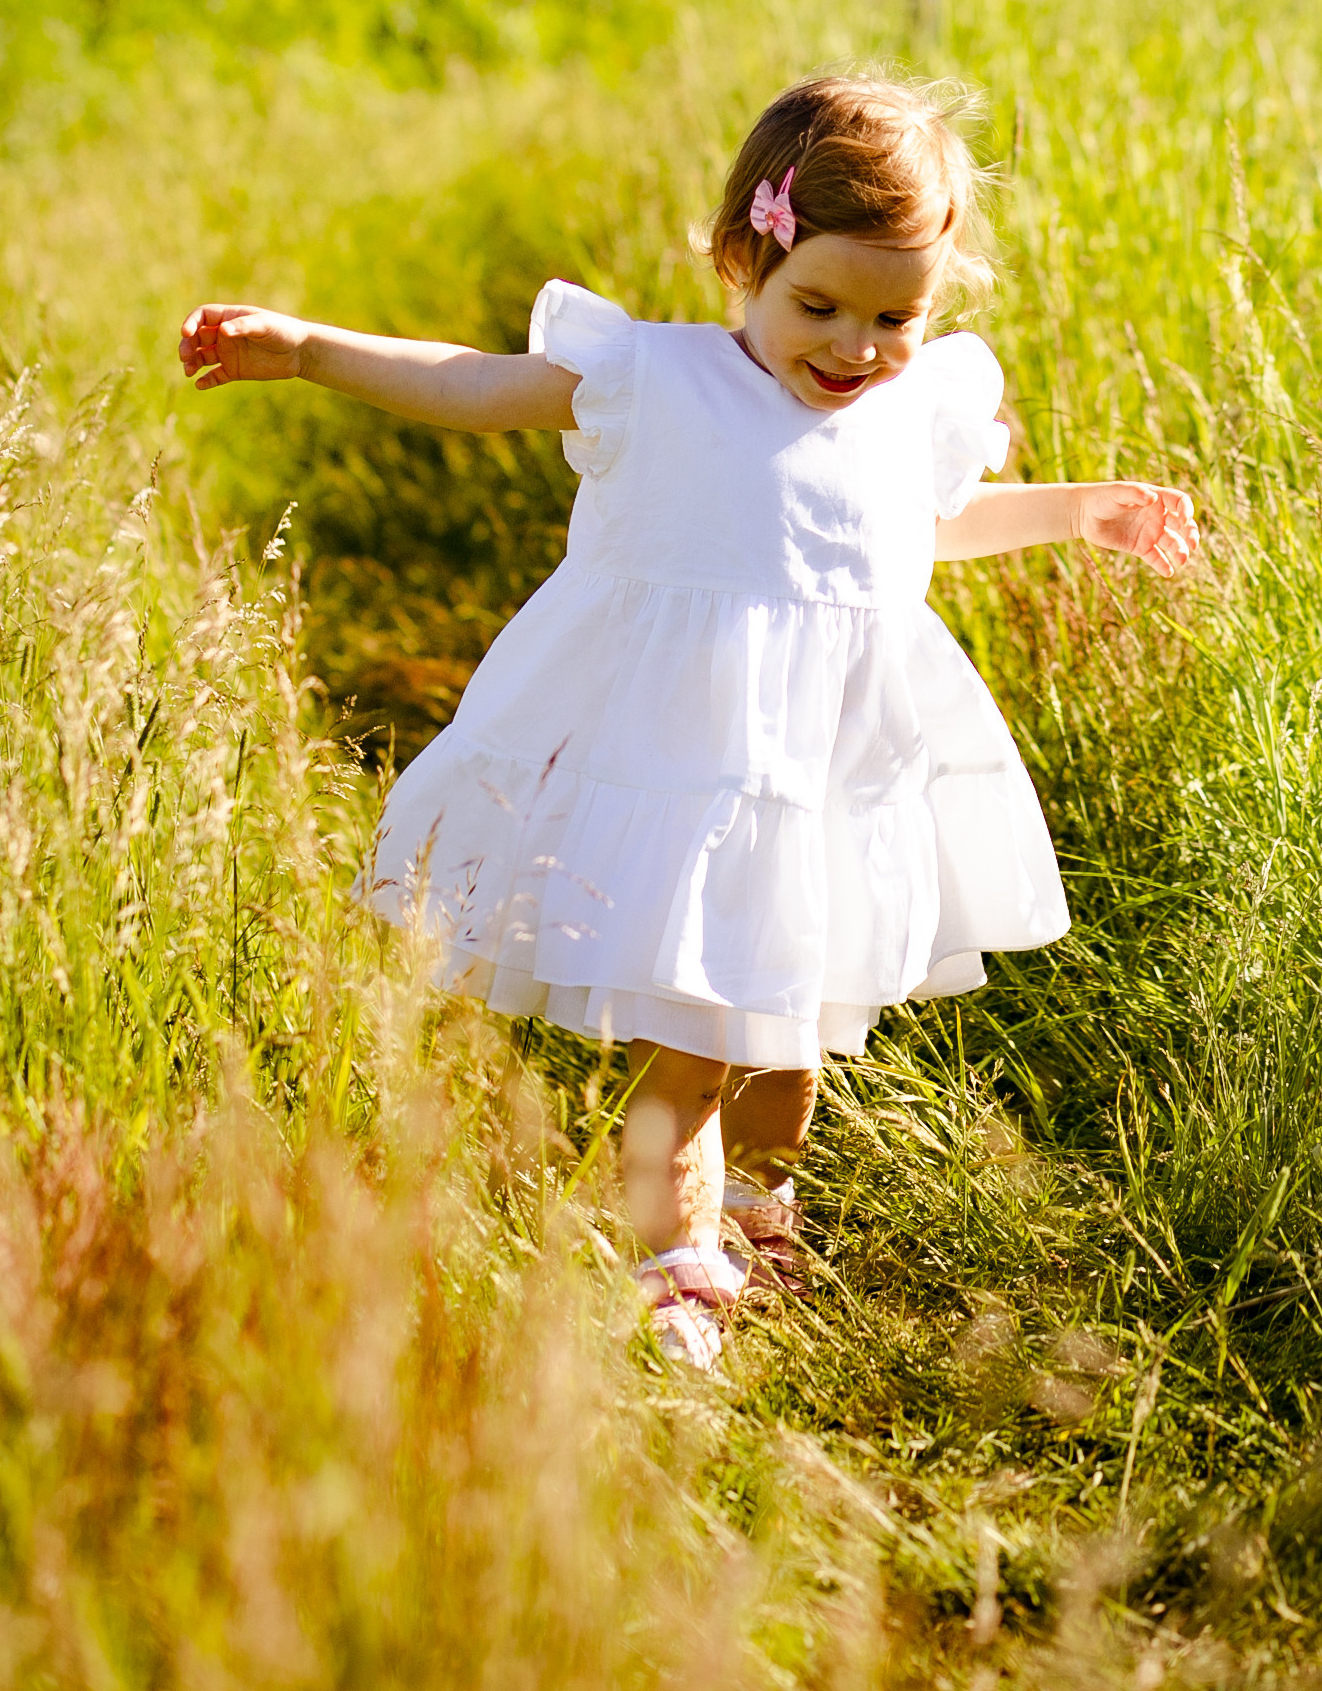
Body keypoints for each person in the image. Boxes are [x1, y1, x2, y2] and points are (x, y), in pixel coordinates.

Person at [179, 70, 1197, 1364]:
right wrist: (307, 350)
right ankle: (674, 1273)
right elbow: (475, 385)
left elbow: (925, 531)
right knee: (704, 1050)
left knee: (799, 1032)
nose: (856, 346)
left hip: (826, 781)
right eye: (817, 305)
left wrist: (1077, 510)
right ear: (744, 260)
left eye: (896, 316)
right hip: (690, 772)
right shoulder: (654, 378)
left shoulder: (904, 411)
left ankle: (765, 1204)